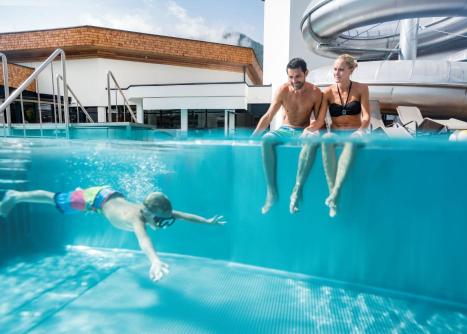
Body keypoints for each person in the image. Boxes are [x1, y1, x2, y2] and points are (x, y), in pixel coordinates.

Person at [0, 186, 226, 282]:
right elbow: (144, 241)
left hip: (109, 196)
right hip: (95, 198)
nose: (161, 221)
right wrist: (155, 261)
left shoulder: (152, 211)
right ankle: (16, 195)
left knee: (161, 222)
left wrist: (207, 222)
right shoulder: (137, 218)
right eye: (158, 218)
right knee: (55, 200)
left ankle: (18, 196)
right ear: (148, 212)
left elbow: (183, 215)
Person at [289, 54, 370, 217]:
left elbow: (366, 116)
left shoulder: (362, 88)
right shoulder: (327, 93)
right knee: (325, 138)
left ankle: (335, 193)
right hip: (335, 133)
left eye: (341, 70)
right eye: (335, 69)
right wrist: (309, 130)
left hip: (355, 133)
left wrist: (360, 130)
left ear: (350, 71)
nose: (336, 73)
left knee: (351, 143)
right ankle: (331, 194)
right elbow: (319, 121)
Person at [252, 58, 323, 214]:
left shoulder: (316, 93)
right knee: (266, 139)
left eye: (297, 76)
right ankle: (271, 192)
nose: (294, 80)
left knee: (313, 140)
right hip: (284, 129)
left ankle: (297, 189)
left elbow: (318, 121)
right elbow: (269, 116)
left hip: (303, 131)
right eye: (290, 77)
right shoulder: (283, 90)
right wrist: (253, 137)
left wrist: (311, 131)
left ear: (306, 73)